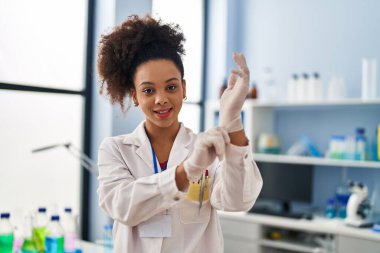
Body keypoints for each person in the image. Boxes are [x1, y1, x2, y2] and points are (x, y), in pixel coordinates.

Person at [96, 15, 263, 253]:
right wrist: (186, 172)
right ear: (134, 96)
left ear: (184, 88)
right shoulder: (116, 149)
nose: (161, 98)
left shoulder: (206, 149)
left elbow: (237, 201)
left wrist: (233, 120)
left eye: (171, 87)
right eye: (148, 90)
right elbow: (123, 206)